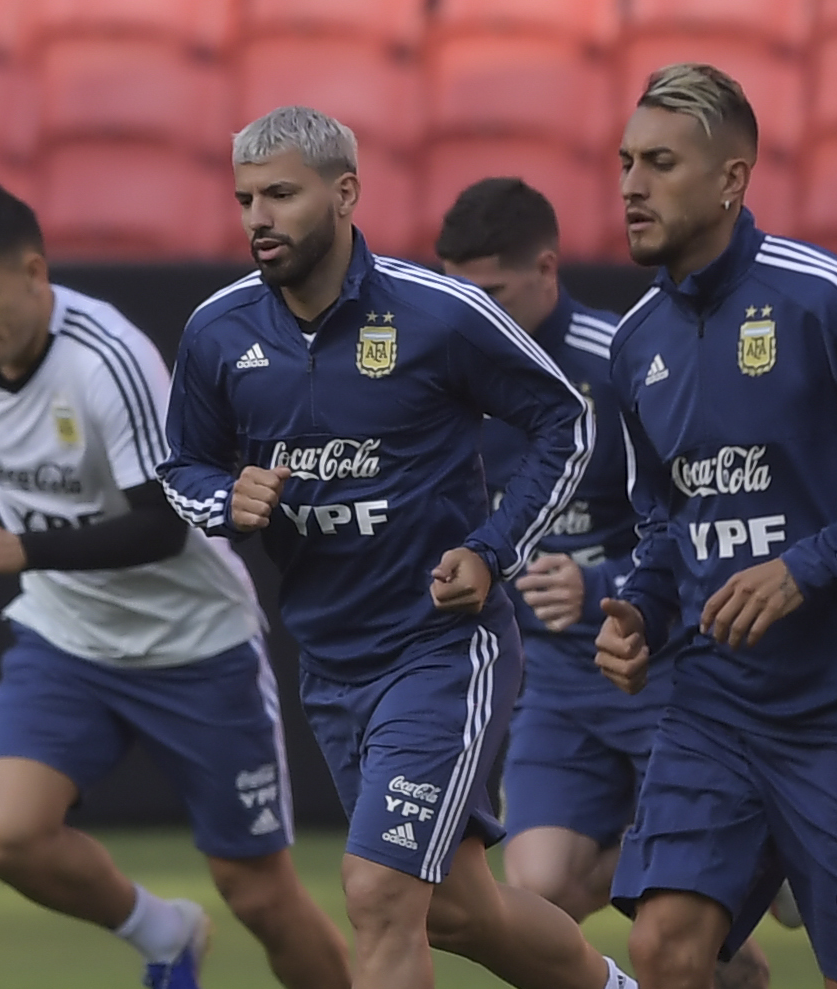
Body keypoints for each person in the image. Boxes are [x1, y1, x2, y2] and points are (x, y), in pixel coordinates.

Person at [157, 104, 637, 989]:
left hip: (441, 646)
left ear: (344, 194)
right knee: (456, 908)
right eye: (243, 198)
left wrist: (492, 549)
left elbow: (562, 423)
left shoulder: (439, 313)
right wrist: (224, 497)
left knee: (377, 889)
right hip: (330, 658)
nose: (257, 216)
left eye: (280, 194)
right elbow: (178, 465)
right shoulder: (217, 331)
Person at [0, 184, 352, 989]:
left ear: (35, 273)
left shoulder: (109, 358)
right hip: (66, 639)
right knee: (5, 832)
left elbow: (162, 523)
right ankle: (164, 931)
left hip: (196, 646)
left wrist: (21, 549)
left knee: (256, 891)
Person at [596, 62, 837, 989]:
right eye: (624, 162)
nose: (630, 185)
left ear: (731, 180)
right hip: (711, 712)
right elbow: (663, 523)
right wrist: (639, 617)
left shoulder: (830, 300)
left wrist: (803, 568)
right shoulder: (634, 345)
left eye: (659, 162)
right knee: (661, 948)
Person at [437, 178, 770, 989]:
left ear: (546, 269)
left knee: (677, 910)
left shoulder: (622, 361)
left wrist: (597, 586)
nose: (466, 312)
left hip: (663, 669)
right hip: (554, 681)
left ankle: (756, 860)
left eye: (487, 292)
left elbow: (704, 521)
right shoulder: (444, 374)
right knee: (538, 885)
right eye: (453, 291)